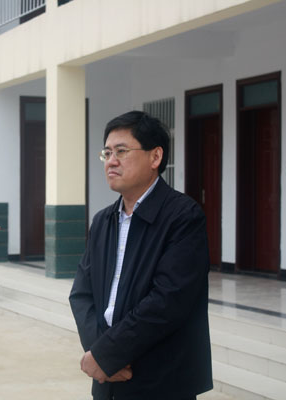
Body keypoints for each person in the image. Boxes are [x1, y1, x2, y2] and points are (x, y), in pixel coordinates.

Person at [69, 111, 212, 399]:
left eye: (121, 151)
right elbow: (82, 295)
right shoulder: (103, 221)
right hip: (108, 378)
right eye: (107, 153)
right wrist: (101, 355)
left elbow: (168, 301)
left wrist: (108, 354)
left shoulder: (183, 216)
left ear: (155, 157)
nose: (111, 161)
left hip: (161, 379)